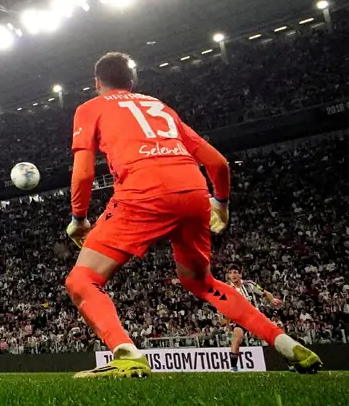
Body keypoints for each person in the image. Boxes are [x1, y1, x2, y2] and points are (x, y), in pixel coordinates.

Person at [63, 52, 322, 378]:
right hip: (194, 190)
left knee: (82, 280)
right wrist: (221, 204)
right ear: (132, 82)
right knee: (199, 280)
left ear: (97, 82)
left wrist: (79, 219)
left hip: (142, 193)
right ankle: (285, 343)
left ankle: (126, 354)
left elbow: (84, 174)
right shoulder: (161, 108)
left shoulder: (90, 108)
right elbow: (218, 164)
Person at [225, 264, 283, 372]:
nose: (233, 275)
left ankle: (289, 361)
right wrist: (227, 323)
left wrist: (272, 300)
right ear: (228, 275)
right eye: (231, 273)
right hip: (240, 319)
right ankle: (233, 367)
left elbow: (265, 293)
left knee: (272, 337)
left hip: (254, 316)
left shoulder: (249, 284)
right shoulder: (226, 288)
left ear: (240, 274)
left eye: (235, 272)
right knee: (236, 338)